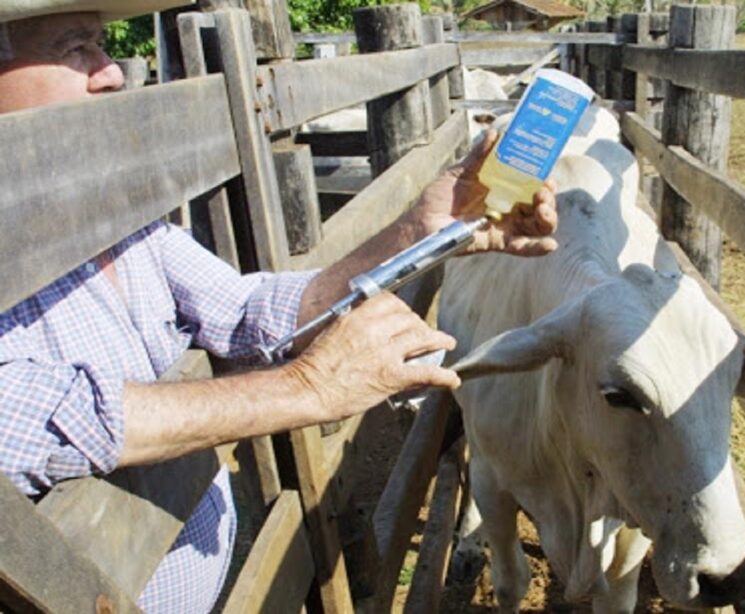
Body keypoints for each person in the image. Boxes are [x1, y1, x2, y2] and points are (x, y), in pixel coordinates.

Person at [0, 2, 558, 611]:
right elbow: (23, 419)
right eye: (74, 48)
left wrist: (420, 231)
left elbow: (245, 310)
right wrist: (305, 388)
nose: (111, 72)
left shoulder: (112, 219)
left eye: (103, 46)